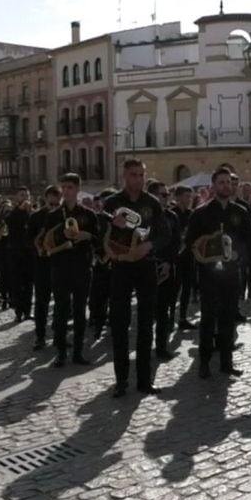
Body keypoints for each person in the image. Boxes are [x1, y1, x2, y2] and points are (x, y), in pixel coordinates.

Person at [103, 159, 169, 398]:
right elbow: (101, 235)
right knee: (120, 325)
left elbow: (164, 233)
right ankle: (121, 381)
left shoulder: (152, 203)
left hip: (145, 267)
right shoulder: (112, 202)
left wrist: (150, 245)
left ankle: (144, 381)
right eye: (133, 175)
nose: (138, 179)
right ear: (124, 175)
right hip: (120, 267)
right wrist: (112, 225)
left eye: (141, 175)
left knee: (145, 325)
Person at [186, 167, 251, 379]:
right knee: (208, 319)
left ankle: (226, 362)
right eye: (221, 182)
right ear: (213, 186)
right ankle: (204, 363)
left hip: (231, 273)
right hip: (208, 274)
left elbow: (248, 240)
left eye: (228, 182)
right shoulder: (200, 213)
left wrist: (238, 255)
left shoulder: (240, 212)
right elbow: (191, 243)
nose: (226, 186)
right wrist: (206, 251)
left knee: (228, 318)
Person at [46, 174, 102, 368]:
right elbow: (47, 242)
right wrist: (62, 235)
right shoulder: (53, 215)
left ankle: (78, 352)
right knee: (61, 311)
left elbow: (99, 241)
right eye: (64, 187)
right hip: (60, 267)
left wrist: (87, 235)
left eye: (70, 187)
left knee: (80, 311)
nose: (66, 191)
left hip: (82, 267)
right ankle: (60, 352)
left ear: (78, 189)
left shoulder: (88, 214)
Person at [148, 180, 180, 361]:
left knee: (164, 310)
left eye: (167, 194)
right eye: (163, 194)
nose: (167, 198)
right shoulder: (146, 216)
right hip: (148, 266)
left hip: (168, 267)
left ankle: (161, 346)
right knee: (147, 311)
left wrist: (169, 262)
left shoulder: (172, 217)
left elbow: (176, 243)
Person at [27, 185, 60, 350]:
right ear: (45, 199)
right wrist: (39, 248)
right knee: (41, 302)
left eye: (56, 204)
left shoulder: (63, 215)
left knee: (61, 301)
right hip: (41, 263)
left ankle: (59, 335)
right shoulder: (36, 217)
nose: (53, 207)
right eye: (51, 203)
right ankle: (40, 336)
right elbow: (29, 240)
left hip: (59, 263)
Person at [88, 189, 115, 340]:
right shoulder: (91, 219)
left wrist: (110, 255)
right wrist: (97, 256)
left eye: (101, 203)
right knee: (99, 296)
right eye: (96, 203)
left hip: (112, 261)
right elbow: (90, 239)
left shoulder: (111, 219)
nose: (99, 205)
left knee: (113, 296)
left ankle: (111, 323)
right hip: (97, 261)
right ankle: (98, 324)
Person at [5, 187, 34, 323]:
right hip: (15, 253)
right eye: (22, 195)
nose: (25, 197)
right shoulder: (12, 211)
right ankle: (18, 312)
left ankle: (27, 311)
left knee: (28, 284)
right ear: (17, 197)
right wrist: (21, 209)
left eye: (26, 195)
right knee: (17, 283)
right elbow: (9, 222)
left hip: (29, 253)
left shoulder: (32, 213)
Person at [172, 185, 198, 331]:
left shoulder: (192, 214)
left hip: (189, 255)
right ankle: (169, 318)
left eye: (190, 197)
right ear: (178, 197)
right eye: (186, 196)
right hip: (175, 257)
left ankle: (182, 318)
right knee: (174, 289)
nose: (189, 199)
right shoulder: (171, 213)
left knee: (187, 288)